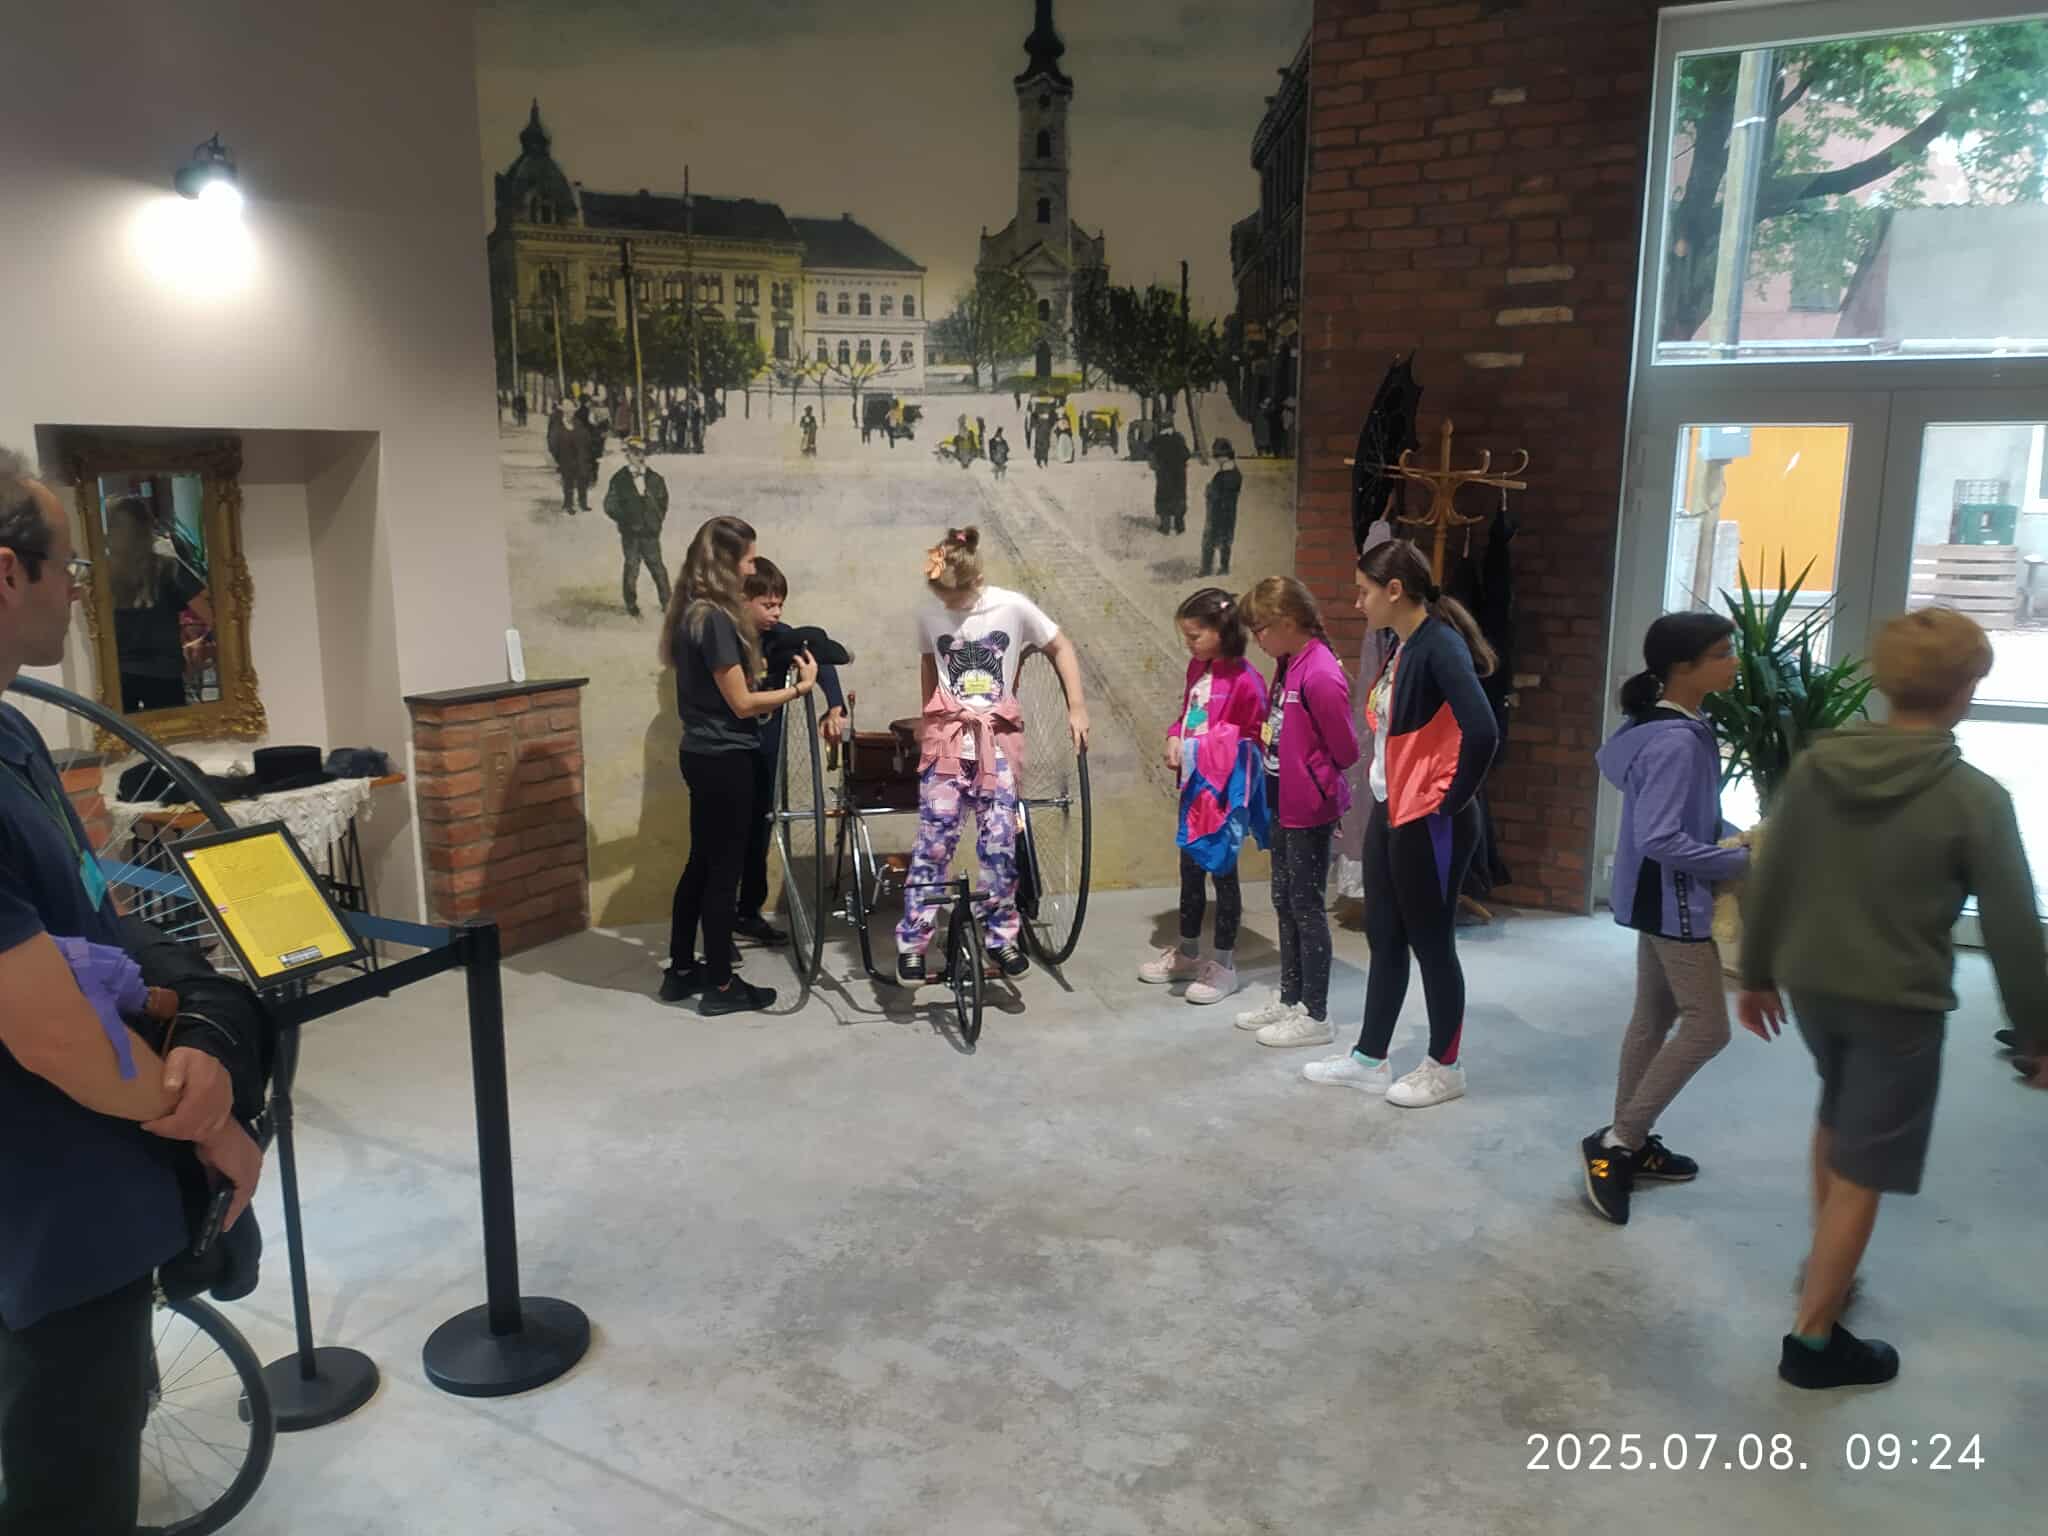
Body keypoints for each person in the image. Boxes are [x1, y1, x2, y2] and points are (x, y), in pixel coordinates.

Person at [1, 448, 267, 1532]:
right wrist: (209, 1120)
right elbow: (54, 1034)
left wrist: (198, 1015)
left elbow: (93, 922)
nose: (79, 589)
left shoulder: (13, 731)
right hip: (47, 1218)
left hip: (85, 1194)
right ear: (6, 573)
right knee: (71, 1492)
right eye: (67, 566)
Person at [1738, 607, 2048, 1390]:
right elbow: (2013, 928)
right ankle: (1813, 1342)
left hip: (1813, 985)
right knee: (1865, 1164)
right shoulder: (1975, 798)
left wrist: (1757, 970)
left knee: (1839, 1116)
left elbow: (1771, 872)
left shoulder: (1817, 767)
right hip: (1897, 1001)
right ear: (1966, 690)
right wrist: (2038, 1032)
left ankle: (1829, 1268)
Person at [1300, 539, 1497, 1106]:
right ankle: (1370, 1058)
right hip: (1394, 810)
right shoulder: (1403, 645)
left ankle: (1445, 1066)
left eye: (1364, 592)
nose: (1357, 603)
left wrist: (1449, 803)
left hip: (1429, 818)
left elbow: (1483, 730)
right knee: (1385, 935)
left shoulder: (1440, 645)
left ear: (1394, 590)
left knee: (1432, 944)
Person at [1579, 613, 1747, 1225]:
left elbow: (1684, 819)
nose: (1734, 662)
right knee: (1708, 1028)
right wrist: (1739, 862)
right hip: (1675, 900)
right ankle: (1620, 1141)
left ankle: (1629, 1140)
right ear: (1683, 667)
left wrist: (1728, 837)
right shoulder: (1676, 740)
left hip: (1656, 896)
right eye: (1722, 653)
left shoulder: (1666, 724)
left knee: (1653, 1018)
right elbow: (1660, 836)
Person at [896, 528, 1089, 985]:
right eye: (944, 597)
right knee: (933, 844)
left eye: (959, 596)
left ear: (977, 578)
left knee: (1001, 844)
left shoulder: (1012, 606)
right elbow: (929, 662)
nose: (952, 605)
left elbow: (1060, 645)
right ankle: (914, 942)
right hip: (948, 742)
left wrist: (1077, 706)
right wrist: (929, 717)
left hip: (997, 744)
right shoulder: (928, 614)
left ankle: (1000, 936)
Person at [658, 516, 819, 1017]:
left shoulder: (691, 612)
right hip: (726, 758)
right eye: (748, 559)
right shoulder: (716, 620)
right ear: (727, 563)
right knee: (722, 873)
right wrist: (800, 688)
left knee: (701, 864)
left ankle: (681, 971)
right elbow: (743, 704)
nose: (753, 568)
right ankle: (722, 986)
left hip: (700, 753)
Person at [1233, 577, 1358, 1048]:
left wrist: (1313, 775)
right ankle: (1290, 999)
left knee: (1306, 906)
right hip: (1281, 800)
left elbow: (1345, 749)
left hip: (1308, 807)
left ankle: (1316, 1013)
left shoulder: (1320, 673)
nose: (1257, 640)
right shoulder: (1289, 664)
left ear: (1287, 622)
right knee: (1284, 900)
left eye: (1260, 629)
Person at [1139, 588, 1268, 1007]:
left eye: (1195, 635)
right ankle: (1189, 952)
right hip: (1194, 787)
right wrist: (1175, 737)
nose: (1189, 644)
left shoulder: (1247, 681)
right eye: (1187, 636)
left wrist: (1213, 755)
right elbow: (1188, 716)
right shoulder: (1198, 669)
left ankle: (1224, 964)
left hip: (1224, 794)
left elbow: (1254, 742)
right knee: (1190, 869)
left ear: (1222, 630)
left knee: (1223, 873)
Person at [736, 558, 847, 948]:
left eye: (780, 604)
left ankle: (748, 913)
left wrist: (834, 707)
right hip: (731, 749)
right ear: (742, 600)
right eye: (768, 604)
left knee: (761, 828)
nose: (777, 612)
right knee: (729, 836)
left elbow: (821, 661)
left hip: (769, 746)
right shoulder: (727, 639)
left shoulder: (782, 638)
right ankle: (717, 923)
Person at [104, 494, 211, 714]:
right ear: (147, 528)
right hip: (164, 673)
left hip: (117, 674)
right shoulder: (169, 568)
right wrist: (202, 641)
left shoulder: (100, 574)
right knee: (172, 731)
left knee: (122, 734)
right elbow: (213, 616)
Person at [603, 438, 672, 620]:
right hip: (631, 534)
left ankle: (667, 602)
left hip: (650, 533)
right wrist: (626, 521)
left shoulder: (656, 479)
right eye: (635, 454)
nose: (639, 457)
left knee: (657, 567)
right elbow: (610, 505)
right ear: (628, 456)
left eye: (642, 454)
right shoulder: (619, 479)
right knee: (632, 568)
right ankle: (631, 604)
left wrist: (656, 521)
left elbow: (663, 502)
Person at [1199, 439, 1243, 577]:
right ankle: (1224, 567)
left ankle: (1206, 569)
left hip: (1217, 512)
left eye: (1217, 456)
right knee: (1226, 540)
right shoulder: (1236, 472)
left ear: (1224, 456)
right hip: (1229, 513)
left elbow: (1217, 494)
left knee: (1209, 540)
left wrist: (1209, 491)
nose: (1216, 460)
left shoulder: (1222, 475)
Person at [1148, 423, 1192, 534]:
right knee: (1179, 498)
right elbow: (1187, 454)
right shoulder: (1179, 438)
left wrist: (1157, 464)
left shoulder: (1157, 440)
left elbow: (1149, 452)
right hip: (1179, 476)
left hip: (1164, 476)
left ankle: (1165, 526)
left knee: (1164, 499)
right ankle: (1180, 526)